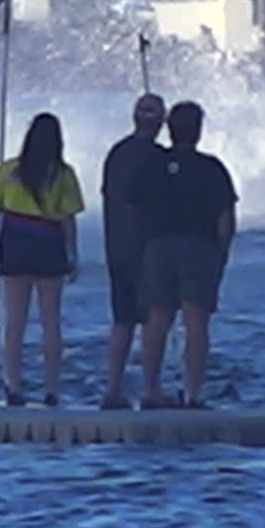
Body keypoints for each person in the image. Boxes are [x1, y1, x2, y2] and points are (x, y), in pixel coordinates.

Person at [131, 101, 237, 409]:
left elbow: (133, 207)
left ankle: (150, 391)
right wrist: (222, 254)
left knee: (156, 321)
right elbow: (226, 218)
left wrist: (143, 242)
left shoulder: (152, 165)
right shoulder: (212, 168)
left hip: (157, 245)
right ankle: (193, 393)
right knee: (196, 323)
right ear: (199, 131)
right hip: (199, 247)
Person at [0, 113, 84, 407]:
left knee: (15, 319)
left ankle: (13, 385)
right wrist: (73, 254)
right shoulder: (63, 174)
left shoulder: (7, 170)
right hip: (48, 240)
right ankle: (52, 388)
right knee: (50, 320)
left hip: (16, 238)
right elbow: (68, 218)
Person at [98, 93, 166, 409]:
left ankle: (113, 389)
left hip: (116, 248)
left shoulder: (116, 153)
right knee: (153, 320)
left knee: (122, 320)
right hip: (149, 249)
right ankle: (151, 390)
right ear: (161, 123)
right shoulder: (159, 159)